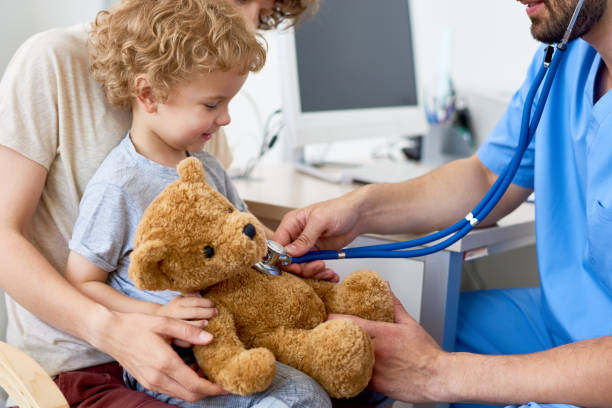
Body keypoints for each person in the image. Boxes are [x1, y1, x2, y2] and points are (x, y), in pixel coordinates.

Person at [273, 1, 612, 407]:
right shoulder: (566, 60)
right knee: (380, 336)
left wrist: (438, 374)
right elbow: (488, 177)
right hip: (561, 322)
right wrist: (362, 209)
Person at [0, 0, 319, 406]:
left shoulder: (201, 98)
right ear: (147, 94)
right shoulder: (53, 63)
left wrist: (284, 256)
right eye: (242, 0)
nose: (252, 22)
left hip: (199, 343)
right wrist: (115, 329)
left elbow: (223, 229)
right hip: (83, 366)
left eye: (264, 9)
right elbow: (2, 237)